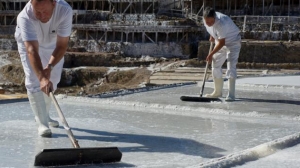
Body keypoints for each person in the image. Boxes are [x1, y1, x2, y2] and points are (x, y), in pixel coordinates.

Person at [15, 0, 72, 137]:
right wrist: (41, 77)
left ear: (53, 3)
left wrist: (49, 68)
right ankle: (42, 123)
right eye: (37, 12)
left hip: (53, 44)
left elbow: (62, 45)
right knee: (34, 80)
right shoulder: (25, 16)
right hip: (29, 44)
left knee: (54, 79)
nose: (41, 16)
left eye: (45, 11)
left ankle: (44, 115)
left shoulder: (65, 10)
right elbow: (31, 50)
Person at [203, 7, 241, 102]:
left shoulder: (222, 23)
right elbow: (213, 29)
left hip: (233, 42)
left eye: (211, 22)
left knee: (231, 66)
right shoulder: (206, 19)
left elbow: (222, 43)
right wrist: (212, 35)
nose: (209, 24)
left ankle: (231, 94)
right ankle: (217, 92)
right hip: (220, 40)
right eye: (207, 22)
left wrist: (210, 54)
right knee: (215, 64)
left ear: (215, 18)